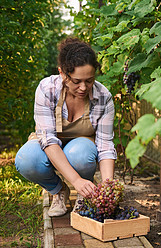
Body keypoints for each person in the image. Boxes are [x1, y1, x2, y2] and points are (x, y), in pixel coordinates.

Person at [15, 37, 116, 217]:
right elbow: (48, 140)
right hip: (51, 145)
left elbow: (105, 145)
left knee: (82, 155)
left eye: (89, 80)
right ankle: (59, 190)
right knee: (27, 160)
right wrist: (75, 180)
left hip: (81, 147)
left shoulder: (103, 97)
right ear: (62, 73)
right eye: (76, 81)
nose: (84, 87)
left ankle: (85, 193)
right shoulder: (47, 89)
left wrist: (108, 187)